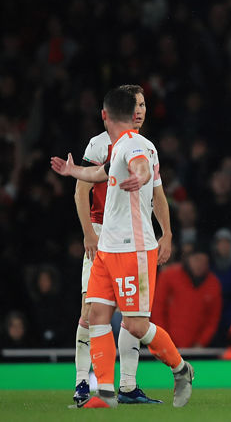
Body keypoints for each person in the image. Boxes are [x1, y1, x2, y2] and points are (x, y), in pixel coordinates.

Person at [51, 87, 194, 408]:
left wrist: (140, 178)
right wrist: (73, 171)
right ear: (131, 113)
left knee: (135, 325)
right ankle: (103, 393)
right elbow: (99, 173)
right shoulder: (112, 147)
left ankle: (181, 368)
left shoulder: (136, 145)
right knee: (98, 314)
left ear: (105, 115)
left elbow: (141, 166)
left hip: (134, 249)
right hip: (107, 248)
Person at [72, 84, 168, 405]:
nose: (139, 111)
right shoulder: (99, 145)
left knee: (132, 315)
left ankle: (127, 385)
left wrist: (165, 232)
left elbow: (157, 195)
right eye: (135, 105)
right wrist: (88, 233)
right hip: (102, 235)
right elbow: (81, 190)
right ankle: (83, 383)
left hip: (134, 239)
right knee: (91, 311)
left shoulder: (145, 147)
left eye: (143, 105)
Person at [152, 244, 222, 348]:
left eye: (204, 261)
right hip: (167, 345)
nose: (200, 265)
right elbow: (157, 311)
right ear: (188, 259)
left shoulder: (213, 284)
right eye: (197, 259)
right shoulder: (168, 276)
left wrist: (201, 343)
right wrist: (164, 341)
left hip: (197, 349)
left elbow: (212, 320)